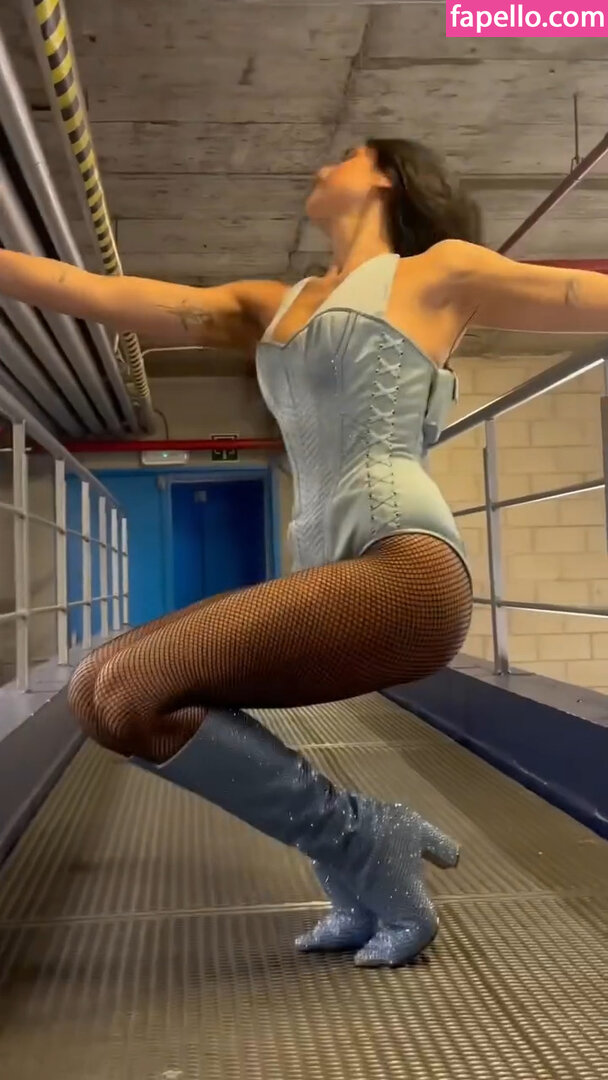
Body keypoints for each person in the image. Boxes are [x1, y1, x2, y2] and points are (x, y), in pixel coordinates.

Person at [2, 138, 607, 968]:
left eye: (346, 155)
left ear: (388, 177)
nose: (323, 167)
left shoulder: (435, 274)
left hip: (406, 569)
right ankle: (358, 842)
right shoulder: (271, 305)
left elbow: (580, 293)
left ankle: (360, 841)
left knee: (131, 682)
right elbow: (97, 293)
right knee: (104, 694)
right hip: (335, 573)